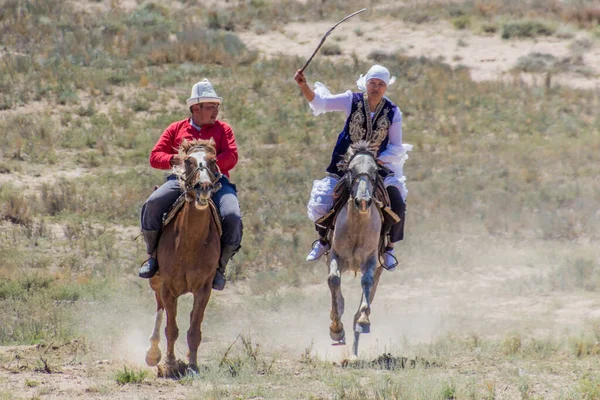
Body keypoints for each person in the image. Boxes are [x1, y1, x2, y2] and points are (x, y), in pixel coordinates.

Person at [294, 65, 411, 270]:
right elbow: (320, 102)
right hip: (345, 166)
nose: (375, 87)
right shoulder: (352, 100)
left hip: (376, 168)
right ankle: (322, 241)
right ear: (365, 83)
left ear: (386, 87)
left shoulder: (393, 112)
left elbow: (395, 146)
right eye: (372, 83)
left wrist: (374, 161)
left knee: (398, 203)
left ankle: (390, 248)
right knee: (324, 199)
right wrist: (304, 85)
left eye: (380, 84)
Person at [138, 79, 243, 290]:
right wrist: (174, 160)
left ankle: (220, 267)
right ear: (196, 108)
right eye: (211, 106)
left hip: (217, 182)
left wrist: (206, 165)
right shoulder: (176, 128)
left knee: (233, 216)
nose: (216, 111)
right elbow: (154, 156)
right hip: (182, 180)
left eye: (217, 106)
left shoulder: (224, 129)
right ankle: (153, 256)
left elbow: (232, 156)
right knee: (153, 203)